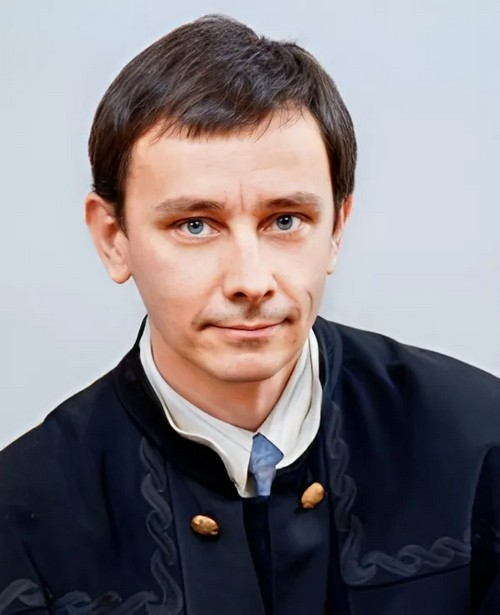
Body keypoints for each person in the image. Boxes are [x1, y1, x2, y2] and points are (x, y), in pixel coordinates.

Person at [0, 13, 498, 615]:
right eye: (195, 225)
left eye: (285, 220)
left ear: (337, 228)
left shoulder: (483, 448)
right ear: (113, 238)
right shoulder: (20, 516)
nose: (251, 282)